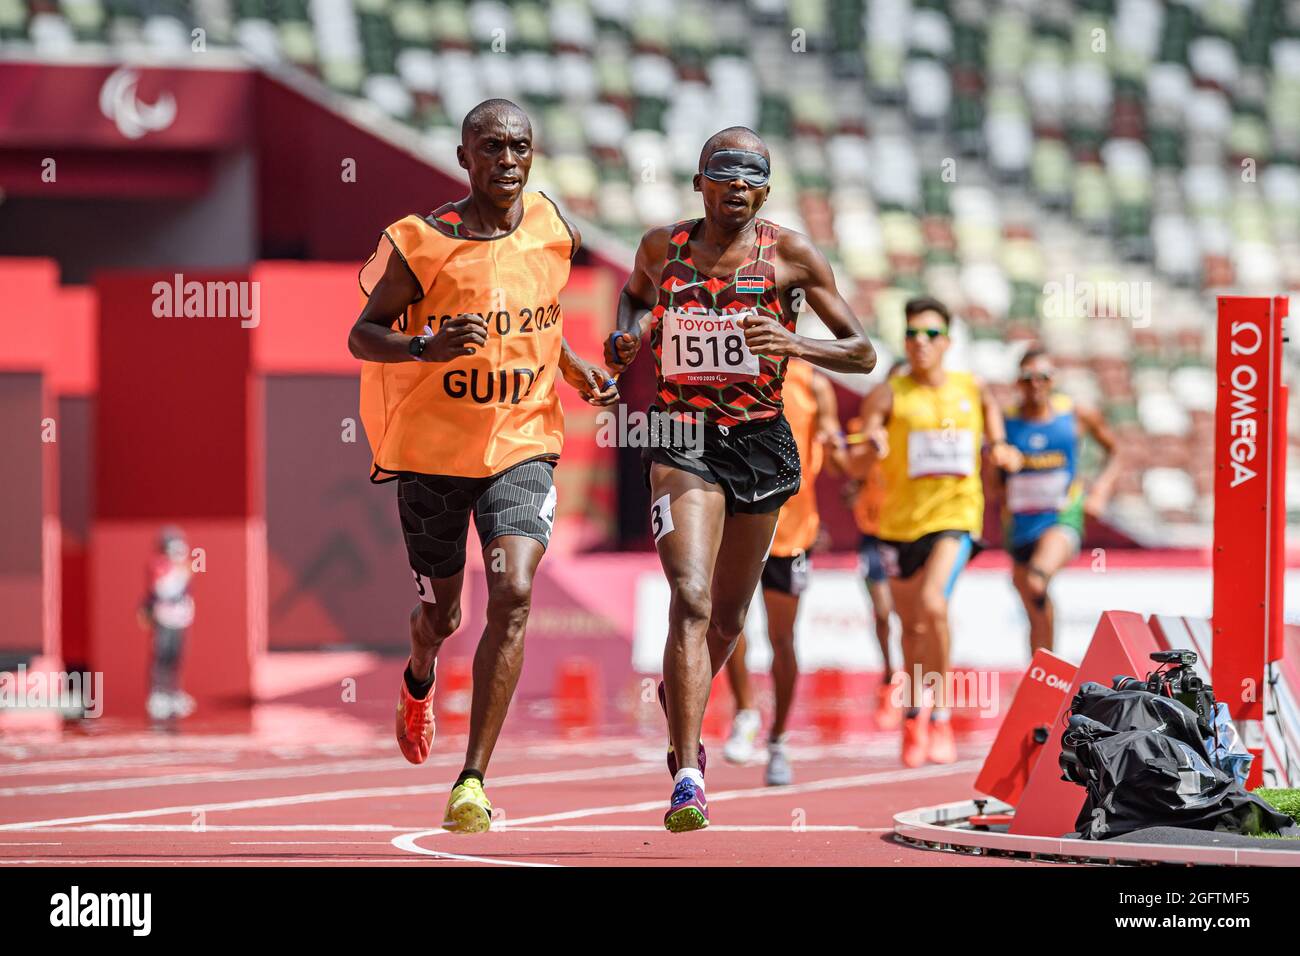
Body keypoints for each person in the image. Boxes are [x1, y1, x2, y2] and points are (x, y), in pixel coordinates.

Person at [349, 99, 616, 834]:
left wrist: (574, 368)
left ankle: (473, 779)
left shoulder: (552, 226)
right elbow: (362, 335)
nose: (507, 160)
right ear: (463, 157)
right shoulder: (422, 243)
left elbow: (544, 313)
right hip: (434, 455)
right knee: (445, 614)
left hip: (522, 441)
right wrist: (424, 346)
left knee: (515, 591)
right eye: (491, 147)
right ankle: (418, 676)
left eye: (520, 147)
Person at [606, 126, 875, 831]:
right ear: (699, 182)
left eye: (752, 178)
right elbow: (633, 298)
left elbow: (863, 351)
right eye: (723, 175)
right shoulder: (661, 247)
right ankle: (689, 769)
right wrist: (627, 334)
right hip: (678, 436)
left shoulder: (789, 254)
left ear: (766, 188)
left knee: (727, 618)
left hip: (758, 443)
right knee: (690, 599)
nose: (738, 188)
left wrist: (793, 342)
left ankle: (682, 696)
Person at [857, 297, 1020, 767]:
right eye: (912, 335)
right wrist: (872, 443)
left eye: (930, 335)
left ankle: (942, 710)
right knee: (910, 629)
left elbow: (997, 437)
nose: (920, 343)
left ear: (947, 341)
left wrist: (1003, 451)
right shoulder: (890, 393)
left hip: (955, 518)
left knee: (933, 604)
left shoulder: (973, 389)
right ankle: (914, 712)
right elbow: (862, 446)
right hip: (898, 525)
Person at [720, 358, 845, 785]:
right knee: (729, 624)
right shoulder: (733, 366)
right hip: (738, 515)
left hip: (792, 529)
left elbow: (837, 452)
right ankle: (745, 712)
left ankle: (778, 740)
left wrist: (841, 445)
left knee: (782, 637)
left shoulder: (814, 382)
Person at [1001, 346, 1120, 654]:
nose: (1035, 384)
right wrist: (999, 462)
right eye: (1028, 378)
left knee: (1037, 582)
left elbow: (1116, 452)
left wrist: (1100, 491)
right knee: (1032, 604)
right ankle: (1042, 674)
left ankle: (1049, 671)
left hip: (1061, 518)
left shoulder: (1076, 415)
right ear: (1018, 382)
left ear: (1053, 380)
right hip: (1020, 524)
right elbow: (991, 478)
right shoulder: (1005, 422)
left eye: (1043, 377)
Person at [138, 526, 196, 722]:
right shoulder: (159, 566)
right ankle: (158, 693)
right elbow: (162, 590)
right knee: (161, 656)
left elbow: (187, 591)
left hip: (180, 619)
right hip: (164, 618)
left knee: (176, 656)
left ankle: (174, 692)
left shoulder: (185, 566)